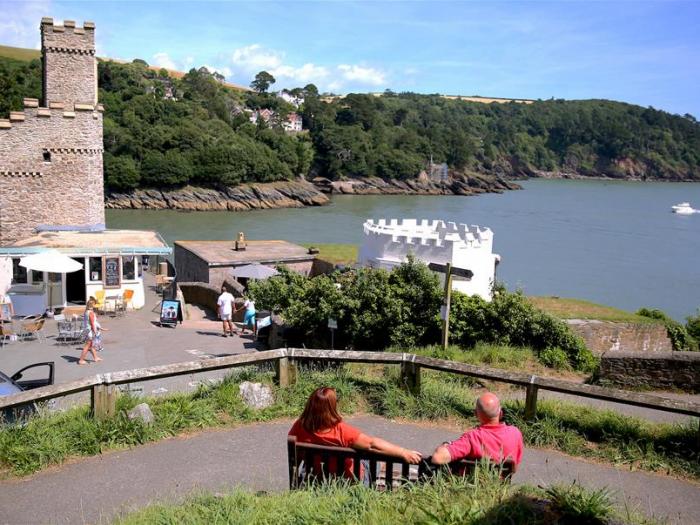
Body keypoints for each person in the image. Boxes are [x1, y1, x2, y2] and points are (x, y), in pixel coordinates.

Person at [288, 386, 422, 480]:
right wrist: (403, 451)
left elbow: (296, 456)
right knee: (370, 457)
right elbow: (372, 444)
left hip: (318, 479)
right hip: (348, 481)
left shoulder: (300, 426)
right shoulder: (341, 431)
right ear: (332, 407)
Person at [430, 392, 523, 472]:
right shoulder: (515, 433)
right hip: (499, 486)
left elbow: (437, 458)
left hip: (472, 486)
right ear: (501, 413)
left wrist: (446, 444)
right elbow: (514, 468)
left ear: (475, 414)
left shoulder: (473, 437)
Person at [78, 297, 107, 365]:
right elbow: (92, 323)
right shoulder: (90, 312)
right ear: (92, 305)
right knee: (87, 345)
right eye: (94, 304)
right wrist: (95, 331)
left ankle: (96, 358)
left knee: (91, 346)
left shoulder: (86, 311)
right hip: (90, 331)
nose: (95, 305)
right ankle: (81, 360)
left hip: (87, 330)